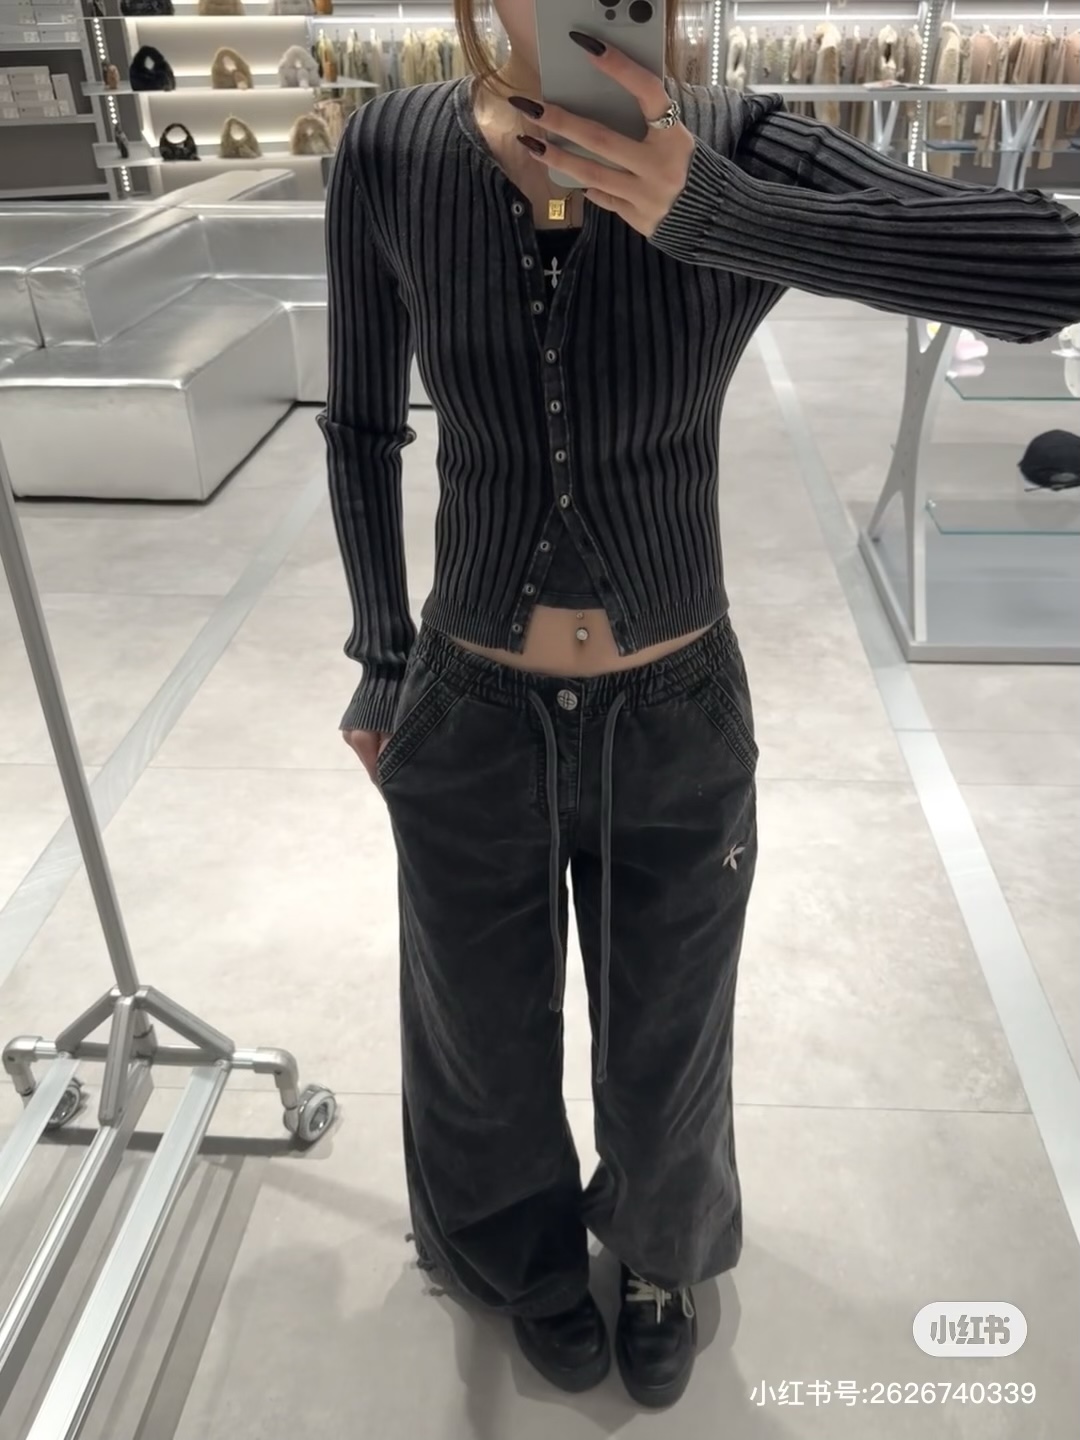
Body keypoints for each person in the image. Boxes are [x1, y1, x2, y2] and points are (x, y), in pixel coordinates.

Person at [321, 0, 1080, 1410]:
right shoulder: (390, 149)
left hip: (673, 714)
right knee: (478, 1042)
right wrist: (380, 654)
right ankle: (524, 1261)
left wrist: (717, 212)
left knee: (670, 1039)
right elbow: (363, 426)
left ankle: (660, 1256)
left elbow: (1048, 267)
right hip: (469, 704)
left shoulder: (737, 139)